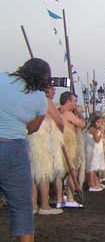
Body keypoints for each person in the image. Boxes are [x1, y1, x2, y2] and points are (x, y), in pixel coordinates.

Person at [0, 58, 54, 242]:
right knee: (21, 205)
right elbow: (32, 128)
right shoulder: (40, 99)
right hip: (13, 148)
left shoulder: (2, 78)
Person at [28, 82, 64, 215]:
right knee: (44, 171)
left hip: (32, 136)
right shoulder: (47, 101)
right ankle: (44, 205)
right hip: (44, 136)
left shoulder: (31, 99)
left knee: (34, 171)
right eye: (52, 88)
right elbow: (59, 121)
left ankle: (33, 205)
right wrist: (61, 133)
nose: (54, 91)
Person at [58, 91, 85, 208]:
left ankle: (59, 199)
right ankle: (69, 197)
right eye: (74, 101)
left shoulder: (58, 111)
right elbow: (82, 124)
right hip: (69, 145)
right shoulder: (68, 114)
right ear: (68, 101)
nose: (75, 103)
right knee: (71, 171)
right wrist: (79, 113)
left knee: (60, 173)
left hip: (61, 143)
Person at [85, 114, 105, 192]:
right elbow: (97, 140)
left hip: (95, 150)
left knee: (94, 168)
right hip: (92, 150)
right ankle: (92, 185)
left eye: (100, 122)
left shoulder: (95, 129)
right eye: (98, 122)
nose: (99, 124)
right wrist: (101, 133)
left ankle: (95, 183)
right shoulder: (92, 129)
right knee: (92, 168)